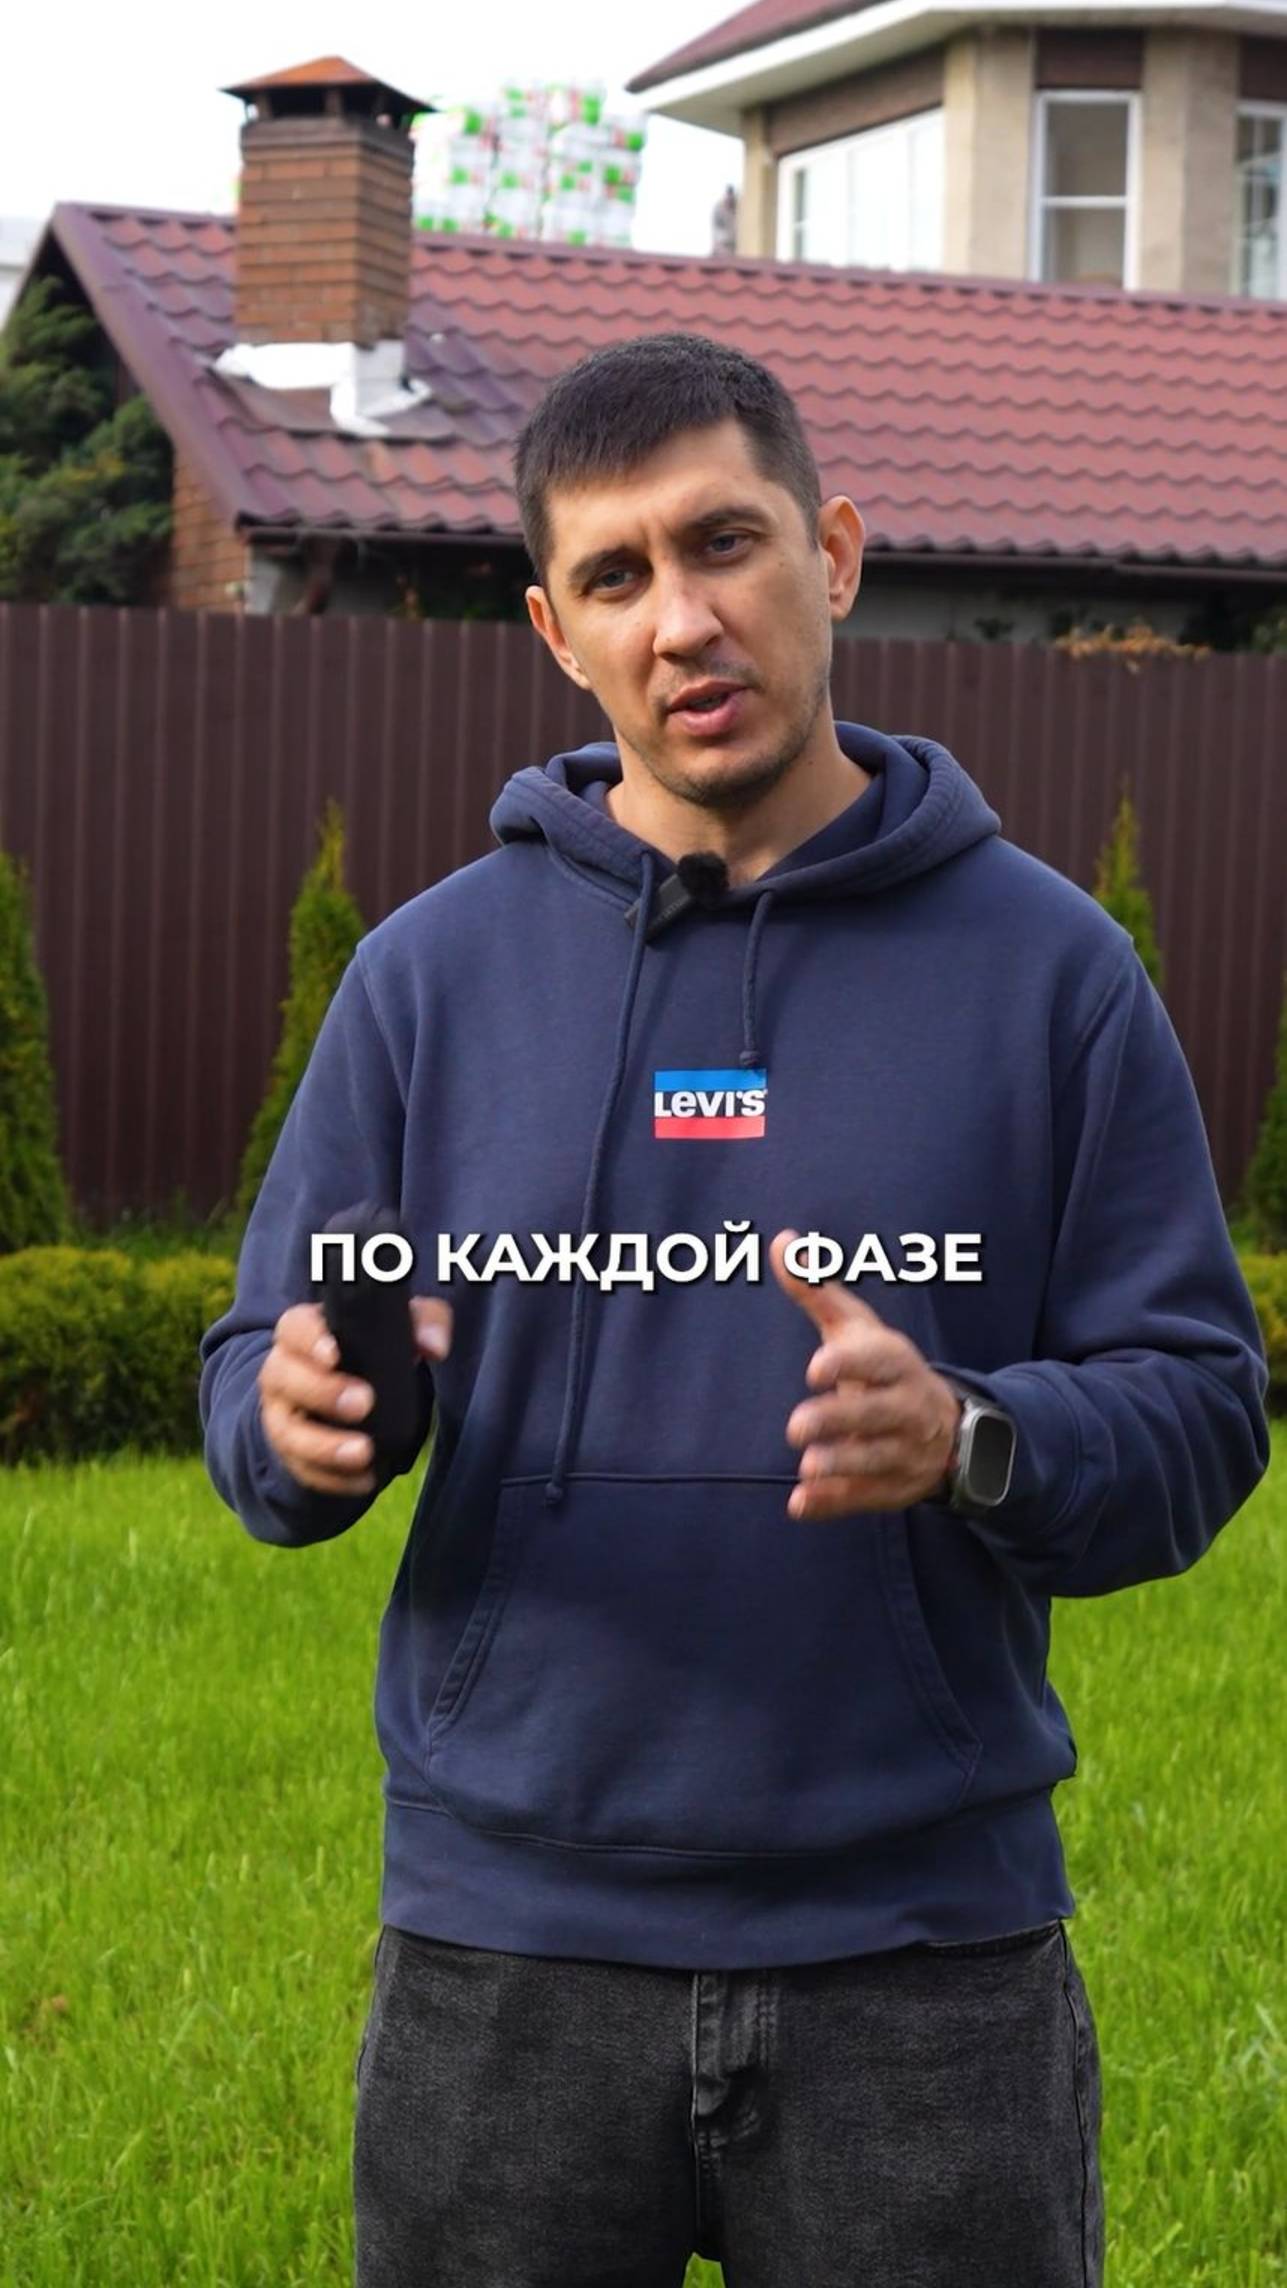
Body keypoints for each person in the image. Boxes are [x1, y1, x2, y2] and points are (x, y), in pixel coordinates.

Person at [198, 330, 1270, 2288]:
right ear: (555, 630)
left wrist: (972, 1434)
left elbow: (1200, 1405)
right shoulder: (429, 983)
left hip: (922, 1966)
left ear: (831, 553)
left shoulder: (1050, 976)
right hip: (505, 1957)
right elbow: (254, 1378)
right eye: (614, 575)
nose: (680, 619)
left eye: (723, 543)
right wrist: (291, 1423)